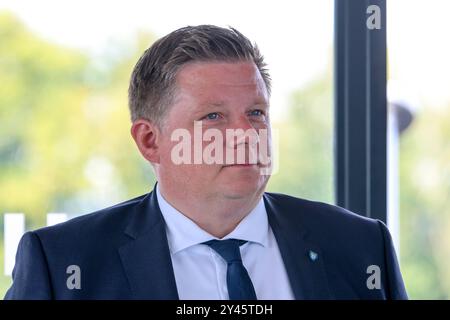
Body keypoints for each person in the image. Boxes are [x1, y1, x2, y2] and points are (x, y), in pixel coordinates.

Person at [4, 25, 407, 300]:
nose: (246, 135)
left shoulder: (359, 246)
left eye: (256, 113)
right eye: (213, 116)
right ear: (149, 141)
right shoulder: (63, 265)